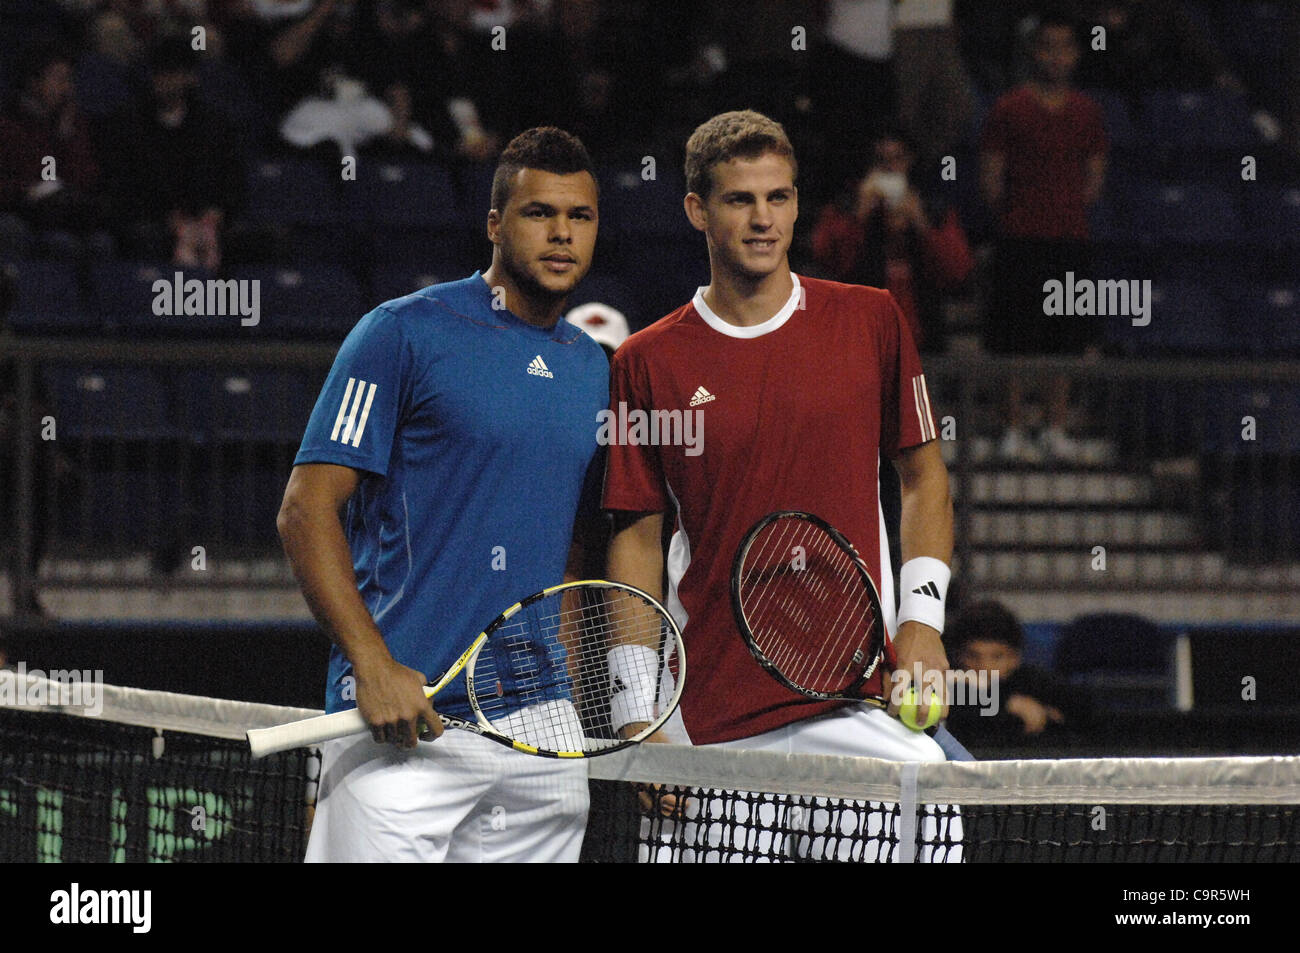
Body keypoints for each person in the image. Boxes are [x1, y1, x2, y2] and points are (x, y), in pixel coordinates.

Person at [602, 110, 958, 859]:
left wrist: (923, 623)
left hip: (859, 704)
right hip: (709, 722)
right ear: (698, 210)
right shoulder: (646, 361)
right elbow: (636, 540)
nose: (764, 219)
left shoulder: (871, 320)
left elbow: (923, 477)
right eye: (740, 200)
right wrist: (638, 709)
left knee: (942, 804)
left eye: (779, 197)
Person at [278, 127, 608, 863]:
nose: (561, 233)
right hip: (402, 722)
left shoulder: (595, 369)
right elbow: (305, 508)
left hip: (538, 733)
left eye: (579, 217)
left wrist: (579, 692)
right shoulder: (401, 333)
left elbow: (581, 545)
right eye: (538, 213)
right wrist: (370, 661)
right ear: (494, 224)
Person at [979, 14, 1108, 463]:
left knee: (1066, 338)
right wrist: (1021, 214)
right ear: (1033, 52)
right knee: (1014, 337)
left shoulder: (1088, 112)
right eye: (1047, 47)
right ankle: (1012, 428)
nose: (1056, 56)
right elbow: (991, 179)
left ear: (1075, 54)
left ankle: (1055, 427)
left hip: (1069, 241)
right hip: (1019, 239)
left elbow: (1094, 179)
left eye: (1064, 47)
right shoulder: (1009, 108)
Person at [811, 128, 973, 352]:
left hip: (921, 337)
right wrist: (859, 215)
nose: (890, 168)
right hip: (862, 338)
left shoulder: (933, 209)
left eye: (898, 159)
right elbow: (828, 260)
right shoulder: (846, 208)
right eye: (881, 160)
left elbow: (957, 270)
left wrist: (922, 224)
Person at [944, 600, 1091, 748]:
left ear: (1015, 658)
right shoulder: (949, 687)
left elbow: (1085, 717)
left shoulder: (1034, 682)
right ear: (958, 656)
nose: (984, 667)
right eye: (972, 656)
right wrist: (1005, 703)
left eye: (997, 657)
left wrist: (1047, 719)